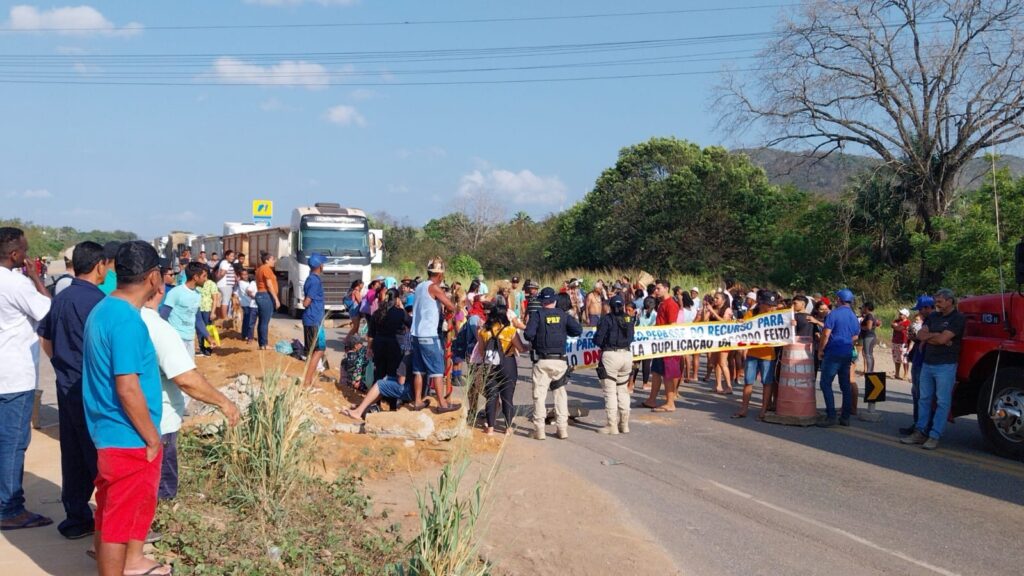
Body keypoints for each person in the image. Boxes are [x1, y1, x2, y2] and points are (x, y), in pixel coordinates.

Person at [81, 241, 169, 576]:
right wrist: (151, 438)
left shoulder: (104, 309)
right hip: (128, 438)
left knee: (109, 514)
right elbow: (127, 387)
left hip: (108, 432)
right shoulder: (128, 322)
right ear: (152, 277)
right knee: (118, 526)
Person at [141, 283, 240, 502]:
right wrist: (225, 403)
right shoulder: (158, 328)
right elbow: (186, 379)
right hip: (159, 424)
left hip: (128, 423)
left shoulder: (113, 317)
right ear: (158, 290)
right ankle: (156, 526)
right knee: (160, 491)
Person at [36, 241, 106, 539]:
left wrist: (64, 366)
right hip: (91, 391)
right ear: (100, 265)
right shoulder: (99, 302)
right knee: (99, 457)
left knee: (73, 454)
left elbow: (46, 342)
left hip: (66, 386)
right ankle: (108, 524)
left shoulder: (60, 298)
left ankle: (77, 518)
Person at [0, 227, 53, 532]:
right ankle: (10, 509)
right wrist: (35, 277)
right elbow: (45, 307)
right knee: (13, 444)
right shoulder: (17, 283)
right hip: (13, 376)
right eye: (25, 249)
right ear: (16, 255)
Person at [901, 289, 965, 450]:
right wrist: (937, 337)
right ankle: (920, 432)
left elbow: (943, 339)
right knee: (924, 398)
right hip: (928, 364)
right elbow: (921, 335)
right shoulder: (933, 316)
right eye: (936, 301)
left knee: (942, 401)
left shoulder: (958, 318)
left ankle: (934, 435)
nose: (937, 304)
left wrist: (935, 337)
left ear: (950, 301)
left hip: (945, 365)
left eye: (940, 301)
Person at [524, 287, 583, 439]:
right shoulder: (563, 315)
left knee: (539, 396)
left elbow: (528, 334)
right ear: (555, 300)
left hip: (542, 361)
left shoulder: (537, 315)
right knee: (560, 395)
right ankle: (562, 429)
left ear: (542, 301)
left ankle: (539, 431)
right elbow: (577, 330)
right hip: (560, 362)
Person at [409, 258, 461, 413]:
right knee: (437, 370)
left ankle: (418, 400)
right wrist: (457, 306)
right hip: (428, 335)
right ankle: (442, 404)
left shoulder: (419, 287)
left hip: (416, 334)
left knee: (418, 370)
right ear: (440, 275)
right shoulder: (434, 288)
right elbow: (451, 306)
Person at [477, 301, 525, 435]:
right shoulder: (510, 330)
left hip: (490, 365)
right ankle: (508, 427)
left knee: (491, 397)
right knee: (507, 397)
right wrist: (529, 347)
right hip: (508, 364)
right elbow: (520, 348)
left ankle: (490, 428)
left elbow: (481, 351)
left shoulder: (483, 331)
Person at [816, 289, 860, 427]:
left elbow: (826, 334)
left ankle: (831, 416)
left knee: (825, 383)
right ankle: (845, 418)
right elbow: (856, 336)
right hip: (847, 352)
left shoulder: (833, 314)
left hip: (833, 352)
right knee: (845, 385)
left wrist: (821, 349)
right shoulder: (853, 316)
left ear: (839, 300)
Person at [734, 290, 779, 420]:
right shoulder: (751, 314)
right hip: (752, 353)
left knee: (767, 383)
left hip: (768, 355)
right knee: (748, 381)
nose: (771, 307)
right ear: (761, 303)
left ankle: (763, 410)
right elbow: (744, 329)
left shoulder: (776, 316)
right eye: (768, 304)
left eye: (772, 305)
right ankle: (744, 408)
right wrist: (740, 324)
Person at [593, 294, 635, 435]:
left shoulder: (606, 319)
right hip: (627, 356)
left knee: (610, 392)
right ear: (623, 306)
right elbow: (631, 337)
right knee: (623, 390)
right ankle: (624, 424)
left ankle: (612, 425)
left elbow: (598, 339)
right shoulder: (629, 319)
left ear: (610, 306)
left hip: (611, 356)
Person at [641, 280, 682, 411]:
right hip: (659, 344)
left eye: (658, 289)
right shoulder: (662, 304)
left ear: (666, 288)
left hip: (666, 345)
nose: (656, 291)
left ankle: (670, 403)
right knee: (656, 372)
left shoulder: (671, 304)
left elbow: (672, 326)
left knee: (667, 373)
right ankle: (652, 399)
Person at [899, 297, 934, 435]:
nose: (919, 312)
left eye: (920, 309)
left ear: (927, 308)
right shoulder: (925, 322)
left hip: (925, 362)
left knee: (922, 396)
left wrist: (920, 337)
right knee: (916, 394)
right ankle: (917, 424)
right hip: (919, 360)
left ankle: (923, 427)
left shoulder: (932, 322)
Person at [162, 262, 206, 357]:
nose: (205, 279)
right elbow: (163, 316)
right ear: (195, 277)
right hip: (176, 339)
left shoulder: (198, 294)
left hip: (190, 339)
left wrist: (208, 336)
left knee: (189, 369)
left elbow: (198, 319)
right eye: (204, 276)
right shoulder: (176, 292)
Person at [367, 288, 410, 380]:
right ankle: (388, 393)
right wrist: (402, 308)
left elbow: (371, 334)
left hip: (378, 344)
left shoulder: (376, 313)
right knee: (392, 372)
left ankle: (377, 392)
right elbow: (411, 323)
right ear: (397, 299)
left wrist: (369, 348)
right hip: (394, 345)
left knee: (379, 371)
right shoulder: (400, 312)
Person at [302, 253, 327, 387]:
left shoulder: (309, 279)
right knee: (318, 350)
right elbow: (307, 302)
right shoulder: (315, 281)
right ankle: (307, 381)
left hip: (313, 319)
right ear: (319, 266)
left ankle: (309, 378)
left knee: (316, 350)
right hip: (314, 319)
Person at [704, 291, 734, 395]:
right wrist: (707, 309)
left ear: (723, 300)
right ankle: (718, 385)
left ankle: (729, 386)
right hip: (715, 340)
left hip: (724, 339)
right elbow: (705, 320)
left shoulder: (727, 310)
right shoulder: (714, 308)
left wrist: (713, 311)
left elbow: (724, 322)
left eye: (717, 298)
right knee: (715, 363)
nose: (715, 300)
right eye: (714, 298)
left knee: (722, 362)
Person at [629, 296, 657, 393]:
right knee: (647, 364)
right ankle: (645, 383)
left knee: (635, 363)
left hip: (636, 341)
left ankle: (631, 383)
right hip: (648, 342)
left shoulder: (637, 311)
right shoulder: (654, 315)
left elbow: (632, 322)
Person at [254, 252, 280, 350]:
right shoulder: (266, 269)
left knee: (262, 321)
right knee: (264, 321)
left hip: (261, 295)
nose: (274, 261)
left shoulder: (260, 269)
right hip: (265, 296)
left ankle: (262, 344)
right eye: (272, 259)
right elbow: (269, 285)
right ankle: (264, 344)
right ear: (267, 260)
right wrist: (276, 299)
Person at [197, 268, 220, 356]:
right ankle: (201, 348)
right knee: (199, 329)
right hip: (199, 308)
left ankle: (208, 349)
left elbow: (215, 299)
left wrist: (213, 312)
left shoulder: (211, 284)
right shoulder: (198, 284)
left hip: (207, 309)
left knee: (207, 329)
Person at [235, 266, 258, 343]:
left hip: (246, 303)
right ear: (240, 276)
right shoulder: (242, 283)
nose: (245, 276)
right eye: (243, 275)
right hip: (247, 304)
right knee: (248, 320)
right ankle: (247, 335)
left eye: (246, 274)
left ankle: (244, 334)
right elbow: (250, 291)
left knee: (246, 320)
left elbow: (236, 292)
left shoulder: (245, 283)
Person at [215, 250, 237, 320]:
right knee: (225, 302)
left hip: (223, 285)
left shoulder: (224, 262)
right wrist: (217, 280)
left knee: (221, 301)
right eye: (231, 256)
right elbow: (222, 273)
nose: (232, 257)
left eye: (233, 256)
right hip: (226, 285)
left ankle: (220, 316)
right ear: (226, 256)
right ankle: (225, 318)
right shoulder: (226, 263)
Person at [859, 301, 879, 373]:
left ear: (867, 308)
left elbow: (869, 327)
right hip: (869, 337)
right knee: (869, 354)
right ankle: (870, 371)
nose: (862, 308)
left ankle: (869, 371)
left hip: (869, 337)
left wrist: (861, 326)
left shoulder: (869, 315)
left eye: (863, 307)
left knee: (868, 354)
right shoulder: (871, 315)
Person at [891, 308, 910, 380]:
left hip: (903, 342)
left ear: (906, 315)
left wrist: (895, 326)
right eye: (900, 314)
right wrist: (895, 326)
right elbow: (892, 325)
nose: (900, 315)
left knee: (904, 359)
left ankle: (905, 373)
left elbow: (898, 329)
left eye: (901, 314)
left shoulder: (907, 322)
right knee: (897, 358)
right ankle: (897, 373)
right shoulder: (896, 321)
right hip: (895, 341)